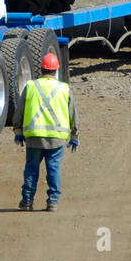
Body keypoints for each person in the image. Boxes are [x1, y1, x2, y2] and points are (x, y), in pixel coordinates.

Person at [12, 50, 78, 212]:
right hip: (56, 139)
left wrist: (18, 130)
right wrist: (74, 135)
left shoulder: (31, 86)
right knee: (53, 169)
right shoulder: (64, 88)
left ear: (41, 69)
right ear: (56, 70)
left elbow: (19, 110)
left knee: (31, 170)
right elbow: (73, 113)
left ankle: (27, 201)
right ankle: (53, 202)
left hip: (34, 137)